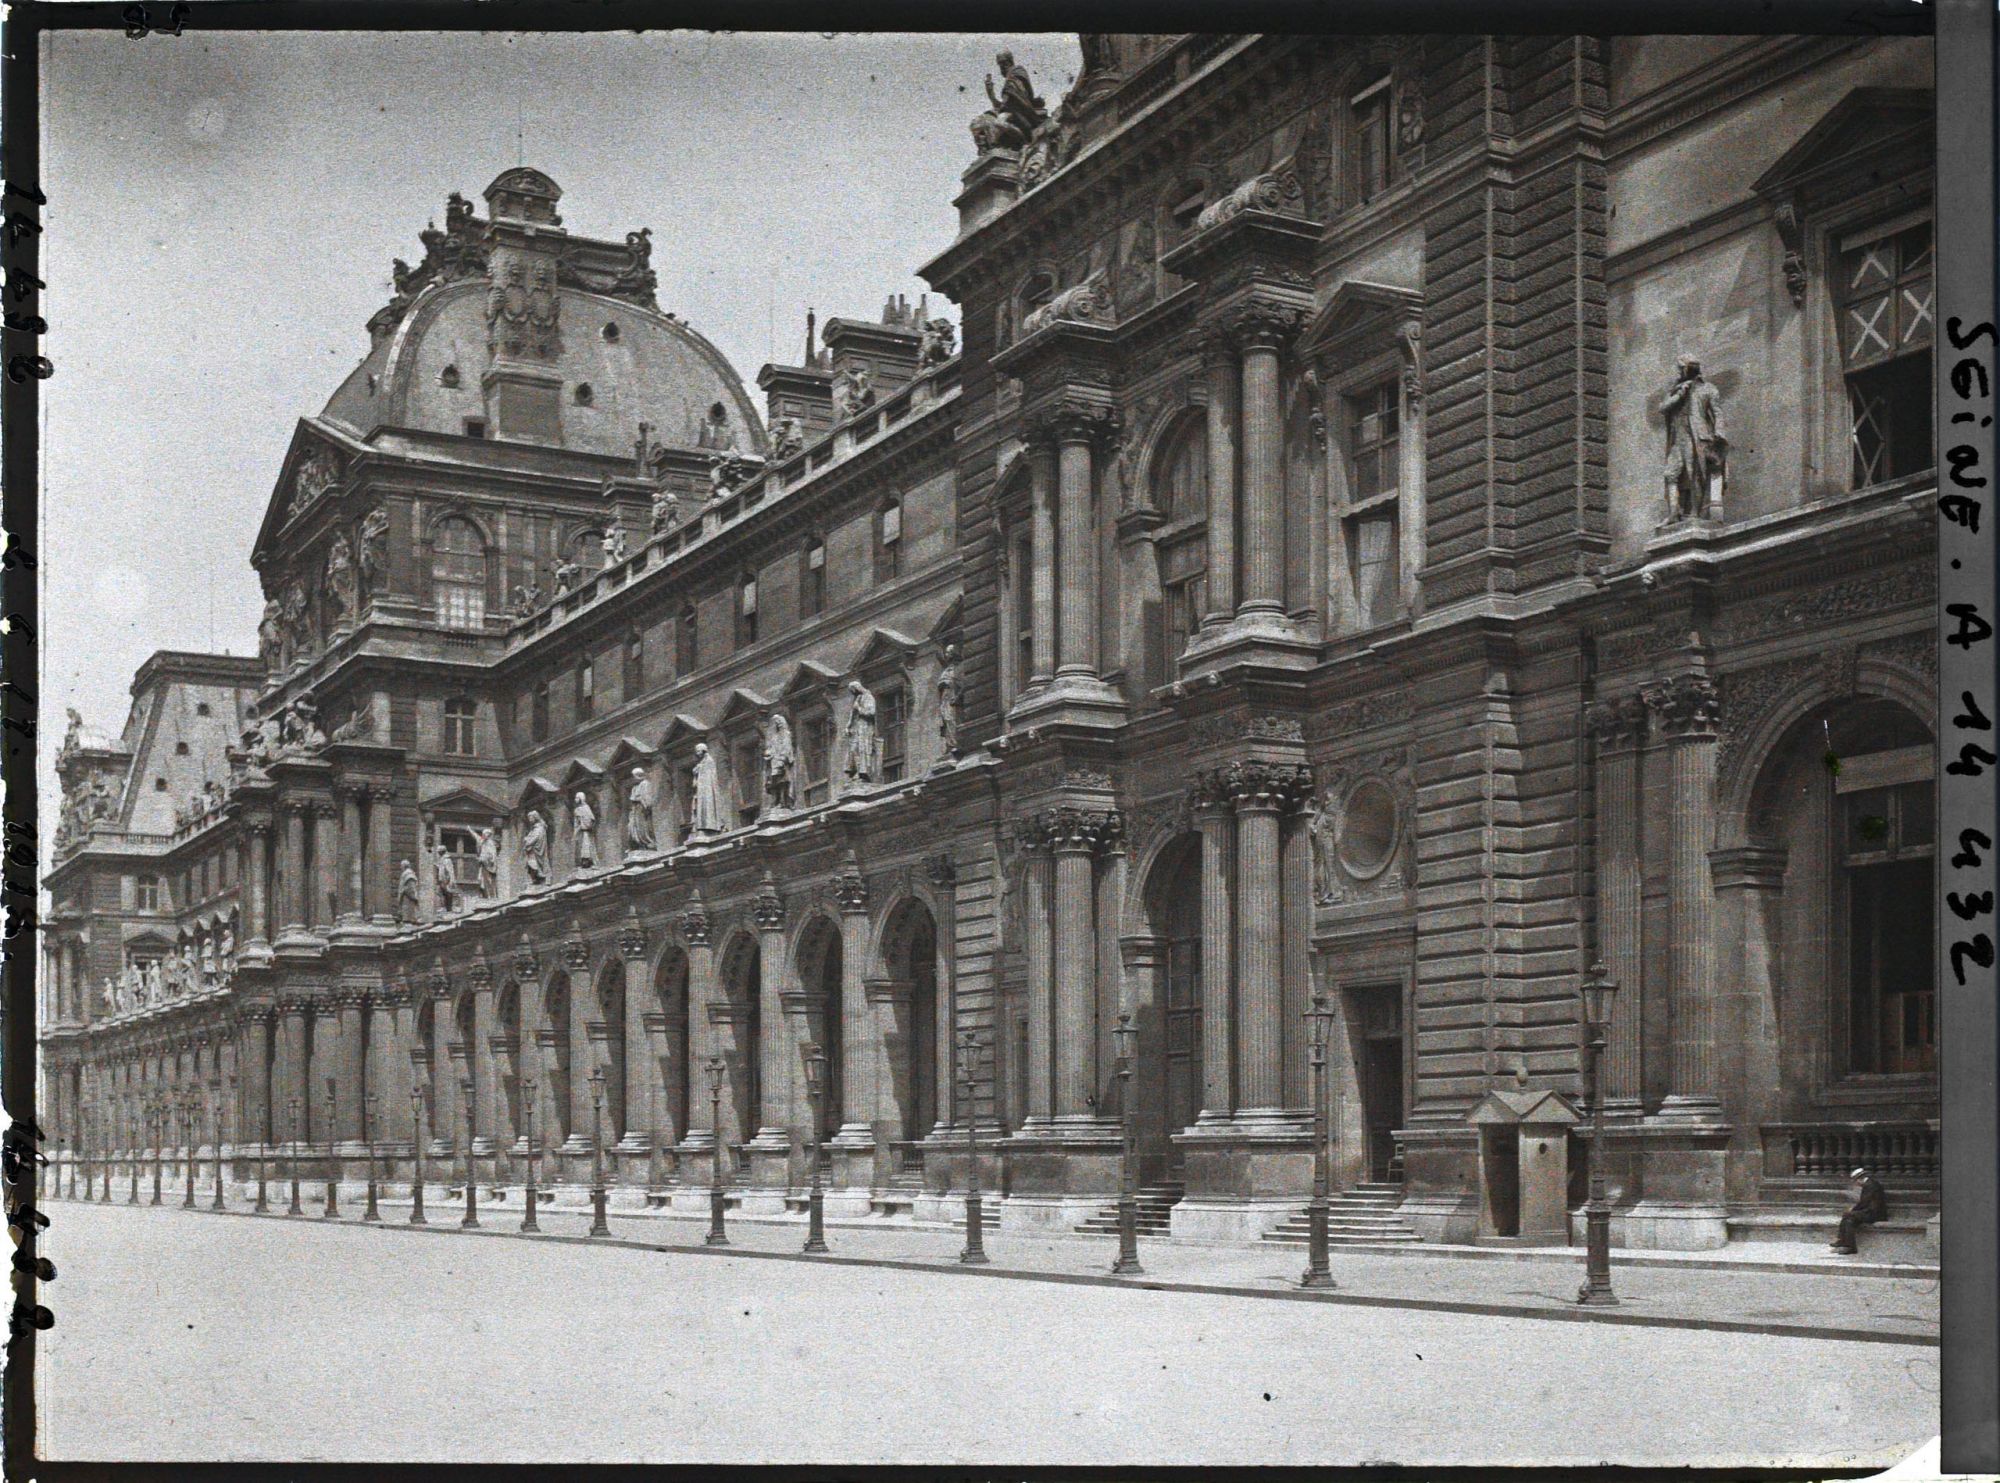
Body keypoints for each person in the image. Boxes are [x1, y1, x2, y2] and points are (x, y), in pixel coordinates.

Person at [1831, 1166, 1889, 1254]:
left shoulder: (1871, 1185)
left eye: (1856, 1181)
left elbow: (1864, 1203)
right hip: (1869, 1212)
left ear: (1860, 1178)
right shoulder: (1869, 1184)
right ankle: (1847, 1244)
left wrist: (1853, 1210)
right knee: (1849, 1221)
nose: (1856, 1184)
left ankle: (1843, 1241)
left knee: (1847, 1215)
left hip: (1875, 1213)